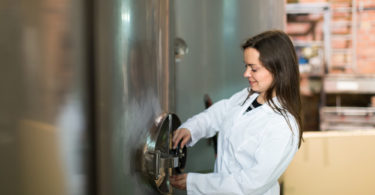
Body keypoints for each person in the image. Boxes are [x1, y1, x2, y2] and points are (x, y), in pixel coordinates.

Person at [169, 30, 303, 195]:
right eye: (246, 66)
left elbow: (249, 184)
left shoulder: (284, 126)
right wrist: (191, 128)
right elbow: (218, 113)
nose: (246, 74)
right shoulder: (248, 95)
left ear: (278, 70)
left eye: (253, 69)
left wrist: (195, 183)